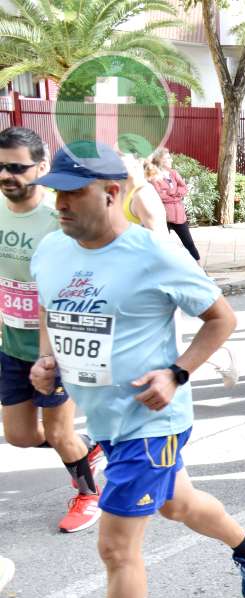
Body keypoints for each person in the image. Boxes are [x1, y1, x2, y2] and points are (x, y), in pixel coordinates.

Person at [29, 141, 245, 598]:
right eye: (55, 190)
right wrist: (47, 360)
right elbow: (50, 308)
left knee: (116, 547)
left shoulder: (154, 253)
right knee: (177, 504)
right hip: (104, 418)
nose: (57, 202)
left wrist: (178, 371)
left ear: (112, 193)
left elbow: (223, 318)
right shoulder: (51, 248)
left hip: (152, 420)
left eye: (72, 193)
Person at [0, 126, 104, 534]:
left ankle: (87, 495)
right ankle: (89, 448)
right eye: (1, 167)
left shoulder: (58, 218)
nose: (7, 175)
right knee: (21, 437)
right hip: (12, 342)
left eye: (17, 167)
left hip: (58, 344)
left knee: (60, 433)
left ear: (42, 167)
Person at [147, 149, 199, 261]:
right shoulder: (154, 177)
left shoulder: (173, 173)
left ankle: (202, 273)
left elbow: (184, 187)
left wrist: (173, 193)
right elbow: (159, 195)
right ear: (160, 161)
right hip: (164, 217)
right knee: (162, 248)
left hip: (179, 215)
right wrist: (174, 195)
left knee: (189, 244)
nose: (171, 160)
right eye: (167, 158)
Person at [119, 153, 167, 237]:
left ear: (139, 160)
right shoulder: (125, 191)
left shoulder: (144, 194)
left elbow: (162, 243)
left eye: (120, 155)